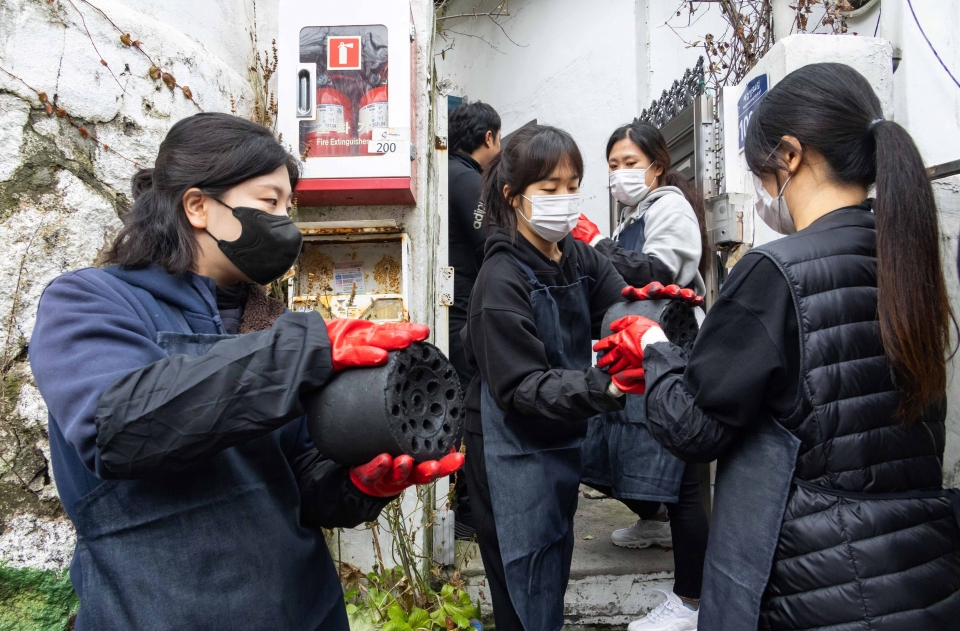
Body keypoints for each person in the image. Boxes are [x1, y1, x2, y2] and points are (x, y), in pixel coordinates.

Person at [28, 113, 463, 631]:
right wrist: (300, 352)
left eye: (288, 206)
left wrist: (359, 486)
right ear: (197, 206)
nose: (285, 221)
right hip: (155, 611)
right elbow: (118, 426)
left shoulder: (274, 323)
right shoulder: (88, 302)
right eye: (269, 202)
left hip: (299, 610)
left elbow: (296, 479)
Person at [596, 63, 960, 631]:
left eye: (761, 174)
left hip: (816, 578)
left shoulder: (775, 272)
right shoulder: (906, 254)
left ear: (789, 155)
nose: (763, 194)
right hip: (921, 570)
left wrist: (655, 345)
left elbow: (694, 427)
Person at [460, 124, 663, 631]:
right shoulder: (500, 278)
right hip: (508, 447)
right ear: (514, 197)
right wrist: (605, 386)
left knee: (549, 566)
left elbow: (615, 297)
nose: (565, 200)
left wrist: (635, 327)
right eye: (549, 190)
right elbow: (520, 386)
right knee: (520, 583)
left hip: (558, 437)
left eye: (573, 185)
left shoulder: (574, 254)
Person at [574, 121, 710, 631]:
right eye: (612, 165)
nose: (620, 174)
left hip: (671, 349)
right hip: (637, 353)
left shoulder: (671, 207)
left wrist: (596, 247)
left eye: (630, 163)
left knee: (683, 475)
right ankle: (651, 522)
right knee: (631, 444)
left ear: (656, 163)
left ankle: (692, 602)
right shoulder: (634, 214)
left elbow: (659, 270)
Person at [447, 100, 501, 539]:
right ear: (489, 138)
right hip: (462, 308)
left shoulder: (445, 173)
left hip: (451, 307)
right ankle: (467, 510)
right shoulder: (467, 179)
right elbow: (490, 243)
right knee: (469, 405)